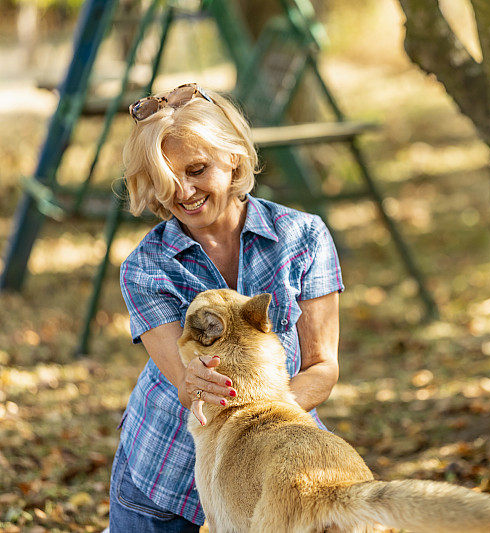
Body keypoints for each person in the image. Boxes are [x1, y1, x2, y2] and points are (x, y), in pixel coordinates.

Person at [108, 83, 344, 532]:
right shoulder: (145, 267)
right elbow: (186, 384)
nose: (184, 192)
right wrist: (195, 385)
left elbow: (322, 367)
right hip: (165, 466)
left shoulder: (304, 237)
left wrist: (260, 426)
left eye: (197, 169)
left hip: (273, 471)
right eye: (164, 179)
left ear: (233, 156)